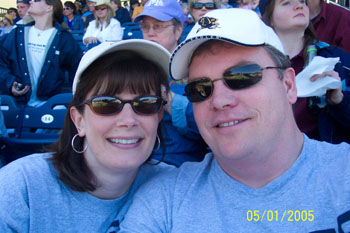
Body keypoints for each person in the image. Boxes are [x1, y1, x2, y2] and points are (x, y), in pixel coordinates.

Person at [119, 9, 350, 232]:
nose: (219, 101)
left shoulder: (343, 176)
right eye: (200, 88)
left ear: (288, 85)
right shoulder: (164, 201)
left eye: (242, 76)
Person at [0, 39, 174, 232]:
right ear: (79, 121)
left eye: (145, 103)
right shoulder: (21, 187)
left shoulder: (173, 189)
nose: (128, 120)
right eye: (106, 104)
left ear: (158, 116)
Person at [259, 0, 350, 143]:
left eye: (302, 1)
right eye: (287, 3)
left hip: (324, 159)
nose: (299, 5)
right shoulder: (254, 64)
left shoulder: (336, 61)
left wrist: (339, 101)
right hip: (268, 158)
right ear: (269, 18)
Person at [134, 0, 209, 166]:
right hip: (137, 163)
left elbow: (211, 126)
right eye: (145, 27)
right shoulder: (133, 69)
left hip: (181, 164)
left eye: (158, 26)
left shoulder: (197, 70)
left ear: (178, 30)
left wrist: (171, 101)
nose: (150, 33)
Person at [0, 0, 82, 107]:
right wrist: (10, 83)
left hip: (51, 105)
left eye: (37, 0)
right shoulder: (17, 34)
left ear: (49, 8)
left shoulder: (64, 38)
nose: (31, 1)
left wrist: (73, 101)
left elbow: (77, 69)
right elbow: (1, 62)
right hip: (16, 104)